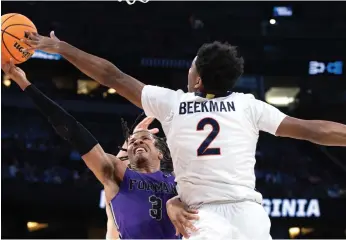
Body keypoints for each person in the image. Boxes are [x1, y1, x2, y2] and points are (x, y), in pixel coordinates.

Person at [23, 33, 346, 239]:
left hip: (204, 219)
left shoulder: (174, 103)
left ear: (198, 79)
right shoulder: (249, 106)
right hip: (251, 216)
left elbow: (112, 76)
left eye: (192, 67)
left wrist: (62, 47)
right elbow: (314, 130)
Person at [1, 60, 199, 239]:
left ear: (160, 153)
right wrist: (25, 84)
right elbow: (73, 131)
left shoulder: (178, 182)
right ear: (126, 154)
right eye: (132, 142)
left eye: (145, 139)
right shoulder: (117, 174)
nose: (138, 143)